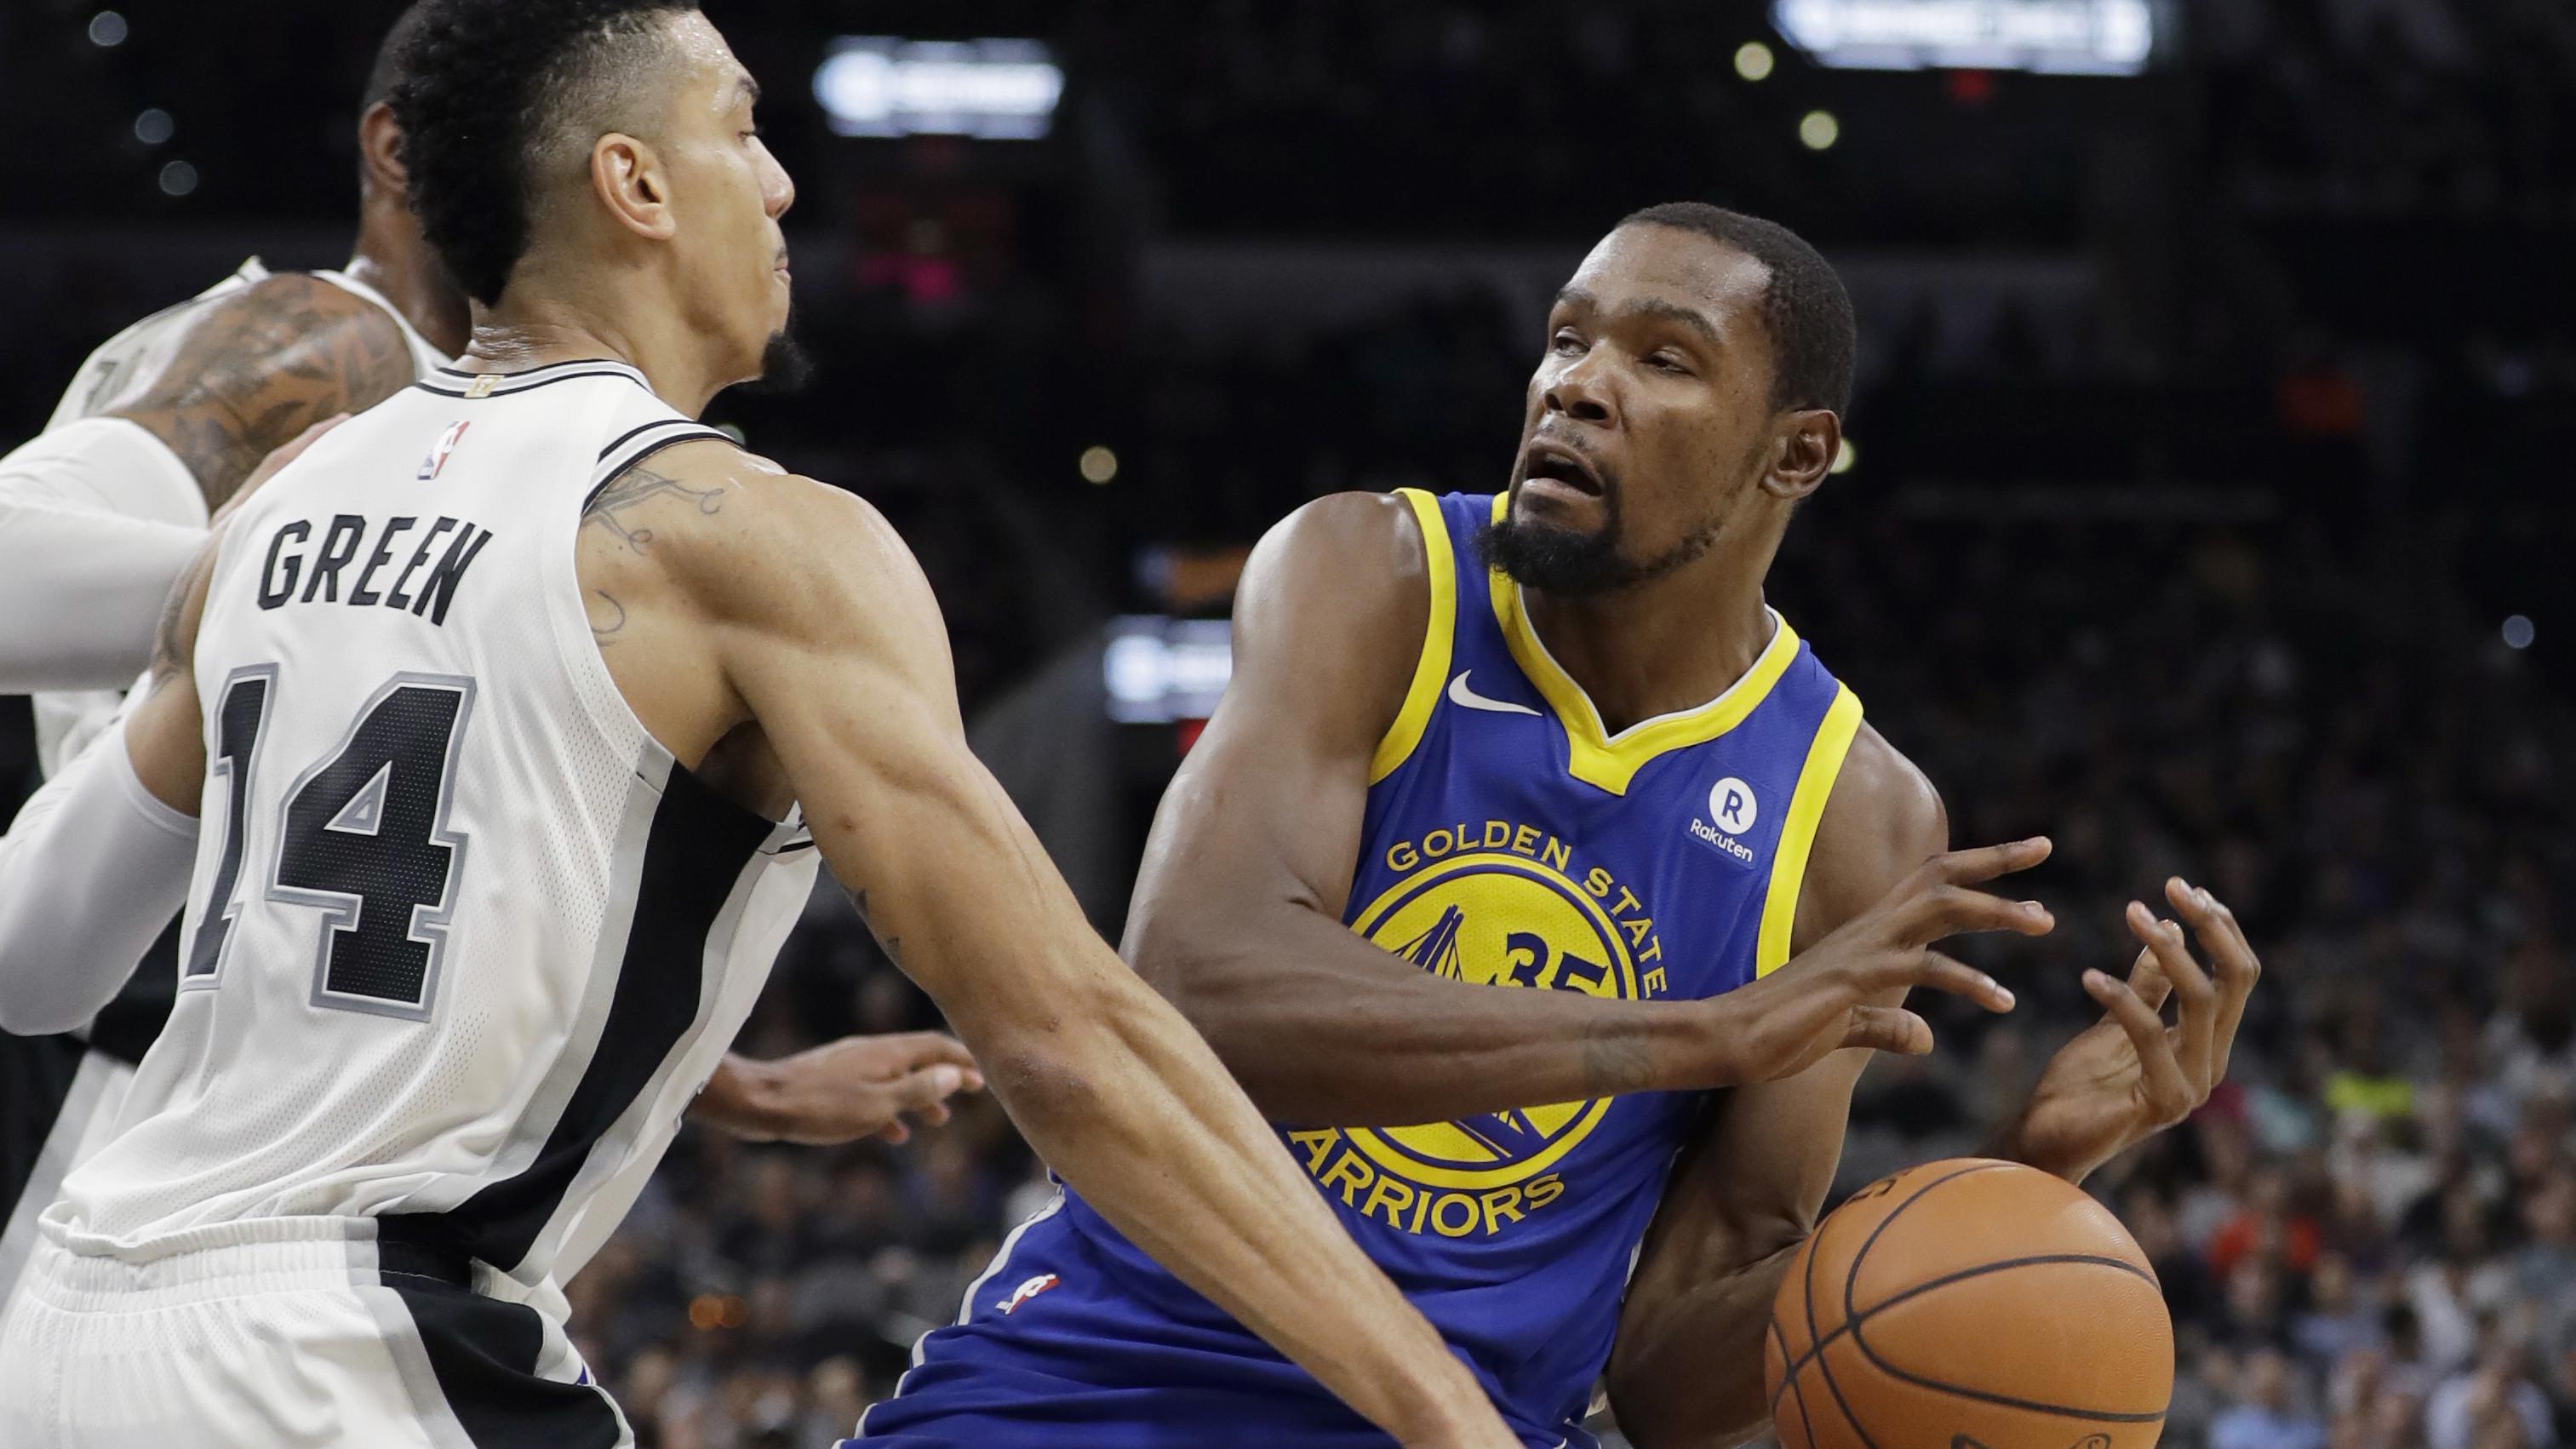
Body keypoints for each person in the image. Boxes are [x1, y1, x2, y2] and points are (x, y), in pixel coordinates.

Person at [0, 2, 1513, 1445]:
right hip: (347, 1357)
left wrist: (717, 1082)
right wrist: (1443, 1407)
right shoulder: (741, 532)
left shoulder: (290, 498)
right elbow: (1067, 1041)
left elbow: (39, 952)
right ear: (634, 184)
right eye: (744, 128)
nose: (785, 183)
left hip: (67, 1318)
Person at [856, 203, 2263, 1448]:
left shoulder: (1854, 815)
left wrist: (2006, 1182)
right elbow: (1193, 998)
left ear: (1796, 455)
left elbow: (1667, 1380)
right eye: (1565, 339)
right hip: (1111, 1378)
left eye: (1660, 358)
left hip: (1478, 1422)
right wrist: (1710, 1032)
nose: (1576, 386)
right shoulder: (1374, 575)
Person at [0, 3, 977, 1315]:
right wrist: (239, 591)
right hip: (112, 1083)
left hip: (209, 1113)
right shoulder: (332, 345)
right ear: (406, 152)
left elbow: (398, 882)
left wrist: (725, 1083)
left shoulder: (503, 450)